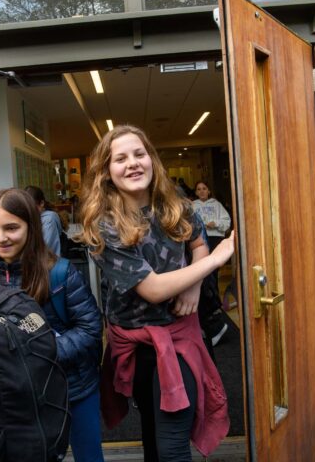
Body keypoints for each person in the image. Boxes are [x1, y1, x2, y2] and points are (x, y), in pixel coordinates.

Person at [75, 125, 234, 461]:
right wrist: (219, 259)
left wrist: (193, 285)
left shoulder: (176, 204)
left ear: (152, 160)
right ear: (106, 171)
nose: (132, 163)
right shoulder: (105, 225)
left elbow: (198, 243)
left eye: (139, 154)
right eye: (120, 158)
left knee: (172, 444)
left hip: (178, 339)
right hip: (134, 344)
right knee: (150, 432)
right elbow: (154, 290)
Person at [0, 188, 104, 462]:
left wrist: (42, 351)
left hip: (73, 387)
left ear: (31, 227)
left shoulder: (60, 272)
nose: (0, 238)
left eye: (11, 228)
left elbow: (91, 329)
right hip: (17, 395)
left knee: (89, 456)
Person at [192, 181, 232, 346]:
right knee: (202, 276)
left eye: (204, 189)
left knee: (211, 275)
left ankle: (214, 310)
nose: (201, 192)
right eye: (198, 189)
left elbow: (227, 222)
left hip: (214, 239)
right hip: (198, 242)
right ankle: (207, 318)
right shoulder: (192, 206)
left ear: (209, 191)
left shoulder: (217, 205)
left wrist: (216, 224)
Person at [26, 185, 64, 256]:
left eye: (32, 207)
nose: (29, 211)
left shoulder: (49, 219)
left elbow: (45, 247)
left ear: (41, 203)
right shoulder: (34, 218)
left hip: (48, 263)